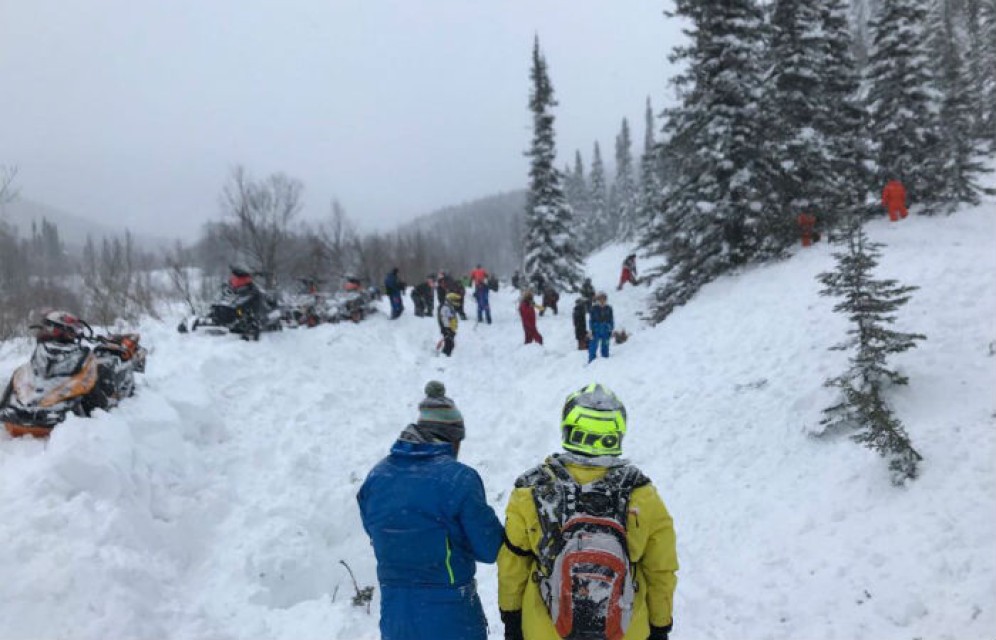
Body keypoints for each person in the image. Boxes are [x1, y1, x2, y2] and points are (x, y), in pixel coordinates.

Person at [497, 384, 678, 640]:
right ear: (616, 434)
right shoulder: (642, 494)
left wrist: (511, 618)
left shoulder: (532, 490)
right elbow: (661, 570)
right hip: (625, 630)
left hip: (544, 630)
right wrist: (660, 627)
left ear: (569, 428)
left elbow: (512, 564)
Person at [358, 381, 504, 640]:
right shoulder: (459, 479)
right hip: (451, 618)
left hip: (395, 616)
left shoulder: (377, 477)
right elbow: (490, 547)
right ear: (449, 437)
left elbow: (376, 530)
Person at [588, 291, 614, 363]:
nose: (602, 301)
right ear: (598, 299)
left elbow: (611, 319)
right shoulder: (594, 308)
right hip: (596, 329)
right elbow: (591, 320)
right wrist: (591, 330)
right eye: (600, 299)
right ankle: (591, 361)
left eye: (604, 299)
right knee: (593, 346)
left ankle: (605, 360)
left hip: (605, 329)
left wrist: (611, 328)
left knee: (605, 345)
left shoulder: (609, 308)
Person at [438, 291, 461, 356]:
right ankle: (445, 356)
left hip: (451, 328)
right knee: (449, 344)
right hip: (447, 328)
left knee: (451, 344)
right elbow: (444, 318)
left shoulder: (450, 307)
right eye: (453, 300)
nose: (455, 302)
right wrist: (448, 329)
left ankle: (446, 356)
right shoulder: (445, 307)